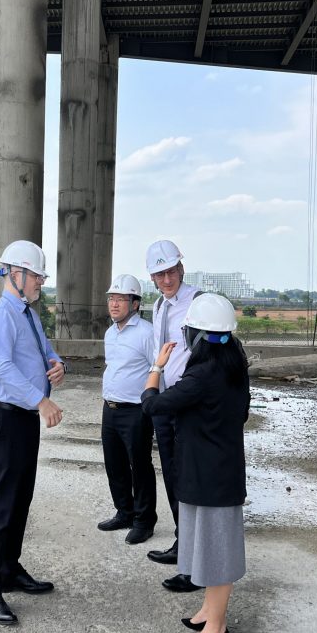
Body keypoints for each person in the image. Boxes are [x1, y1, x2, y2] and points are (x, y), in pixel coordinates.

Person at [140, 294, 249, 633]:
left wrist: (156, 367)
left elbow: (152, 404)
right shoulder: (235, 367)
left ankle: (217, 629)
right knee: (209, 546)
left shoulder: (202, 375)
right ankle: (209, 612)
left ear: (197, 337)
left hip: (209, 478)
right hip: (216, 473)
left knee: (216, 553)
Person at [0, 240, 66, 626]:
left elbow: (44, 348)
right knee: (0, 504)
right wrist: (40, 400)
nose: (40, 284)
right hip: (4, 415)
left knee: (19, 500)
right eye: (38, 277)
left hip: (22, 417)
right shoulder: (0, 316)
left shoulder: (27, 314)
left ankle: (9, 570)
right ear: (17, 274)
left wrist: (57, 363)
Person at [144, 239, 202, 593]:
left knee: (191, 480)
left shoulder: (199, 303)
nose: (166, 279)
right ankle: (183, 543)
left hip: (189, 402)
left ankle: (196, 561)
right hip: (165, 400)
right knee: (173, 476)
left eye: (170, 271)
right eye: (159, 274)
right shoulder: (159, 306)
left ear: (181, 268)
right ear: (152, 277)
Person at [97, 274, 157, 545]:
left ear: (135, 304)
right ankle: (124, 511)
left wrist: (153, 403)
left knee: (140, 467)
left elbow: (157, 369)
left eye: (121, 299)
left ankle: (144, 521)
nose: (114, 304)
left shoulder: (146, 333)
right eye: (111, 299)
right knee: (115, 464)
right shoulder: (110, 332)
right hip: (110, 408)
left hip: (135, 411)